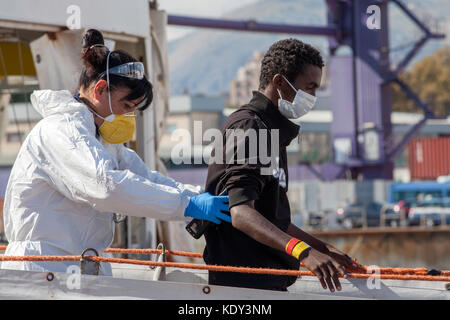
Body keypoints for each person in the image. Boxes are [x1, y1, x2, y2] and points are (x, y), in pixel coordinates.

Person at [1, 29, 230, 275]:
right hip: (43, 267)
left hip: (77, 266)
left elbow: (146, 178)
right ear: (100, 89)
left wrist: (200, 196)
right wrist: (188, 204)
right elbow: (106, 186)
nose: (128, 116)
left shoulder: (102, 141)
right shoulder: (62, 131)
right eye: (126, 105)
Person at [203, 39, 356, 292]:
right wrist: (304, 253)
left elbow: (273, 220)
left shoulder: (272, 131)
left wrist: (323, 248)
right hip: (242, 287)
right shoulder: (251, 128)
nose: (313, 97)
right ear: (279, 82)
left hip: (266, 282)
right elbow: (241, 213)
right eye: (309, 88)